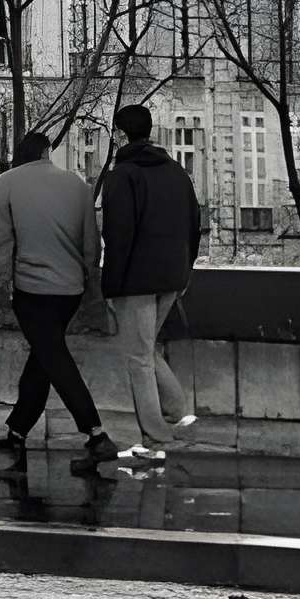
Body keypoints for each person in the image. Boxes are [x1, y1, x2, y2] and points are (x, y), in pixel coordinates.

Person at [0, 129, 112, 469]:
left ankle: (96, 433)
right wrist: (90, 282)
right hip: (70, 291)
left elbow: (2, 242)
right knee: (44, 357)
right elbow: (91, 243)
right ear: (46, 152)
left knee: (53, 358)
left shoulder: (3, 185)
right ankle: (17, 431)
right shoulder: (79, 187)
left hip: (30, 289)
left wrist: (4, 280)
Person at [97, 101, 202, 463]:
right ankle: (176, 410)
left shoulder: (122, 176)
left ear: (118, 134)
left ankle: (156, 437)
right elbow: (194, 224)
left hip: (136, 279)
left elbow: (117, 235)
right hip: (171, 276)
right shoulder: (176, 172)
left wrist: (110, 286)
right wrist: (184, 272)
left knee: (138, 357)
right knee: (145, 348)